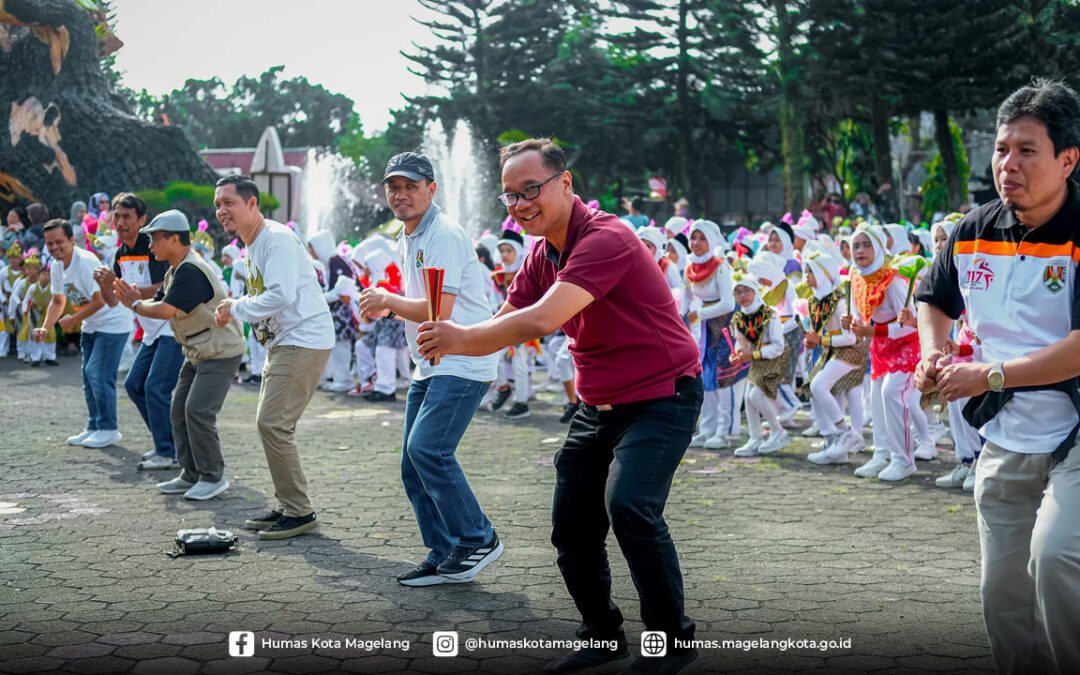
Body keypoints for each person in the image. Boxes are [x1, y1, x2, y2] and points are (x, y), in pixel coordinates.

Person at [415, 139, 703, 674]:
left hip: (663, 396)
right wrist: (450, 337)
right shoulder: (540, 253)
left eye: (531, 190)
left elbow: (541, 321)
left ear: (565, 184)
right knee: (572, 527)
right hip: (598, 407)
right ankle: (601, 635)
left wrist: (457, 338)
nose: (521, 205)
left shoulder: (606, 237)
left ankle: (672, 644)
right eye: (509, 197)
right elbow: (504, 318)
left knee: (631, 509)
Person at [915, 78, 1080, 673]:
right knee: (1001, 595)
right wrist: (932, 353)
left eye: (1026, 151)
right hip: (1005, 439)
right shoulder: (972, 230)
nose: (1008, 165)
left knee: (1057, 559)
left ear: (1068, 159)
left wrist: (991, 376)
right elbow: (931, 295)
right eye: (1001, 149)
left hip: (1074, 435)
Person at [357, 152, 502, 587]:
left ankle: (478, 537)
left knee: (428, 451)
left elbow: (441, 308)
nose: (401, 195)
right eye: (393, 187)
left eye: (411, 186)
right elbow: (422, 302)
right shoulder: (410, 235)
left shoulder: (442, 234)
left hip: (464, 356)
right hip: (431, 361)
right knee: (412, 463)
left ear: (432, 189)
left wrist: (387, 300)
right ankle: (443, 551)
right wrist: (388, 308)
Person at [213, 175, 334, 540]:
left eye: (228, 203)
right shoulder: (256, 243)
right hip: (285, 341)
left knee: (273, 425)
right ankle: (288, 504)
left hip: (303, 338)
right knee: (273, 426)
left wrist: (235, 306)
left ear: (252, 204)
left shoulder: (275, 239)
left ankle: (300, 511)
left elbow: (279, 296)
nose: (221, 211)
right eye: (217, 205)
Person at [113, 210, 245, 500]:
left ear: (174, 239)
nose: (150, 245)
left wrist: (133, 304)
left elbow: (163, 311)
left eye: (155, 239)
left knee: (198, 411)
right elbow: (159, 300)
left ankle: (212, 477)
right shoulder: (176, 269)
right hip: (200, 351)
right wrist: (134, 300)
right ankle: (190, 474)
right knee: (179, 410)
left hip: (220, 352)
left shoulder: (190, 270)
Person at [93, 193, 184, 471]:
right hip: (150, 331)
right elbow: (113, 301)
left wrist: (121, 287)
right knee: (134, 385)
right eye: (116, 216)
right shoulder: (120, 253)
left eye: (126, 216)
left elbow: (161, 288)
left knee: (155, 387)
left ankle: (169, 451)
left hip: (170, 326)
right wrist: (106, 285)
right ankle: (166, 443)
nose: (119, 222)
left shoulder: (152, 246)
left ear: (142, 220)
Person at [35, 219, 133, 448]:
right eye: (49, 244)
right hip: (91, 325)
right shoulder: (57, 266)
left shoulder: (86, 261)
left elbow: (101, 300)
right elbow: (58, 301)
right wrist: (46, 326)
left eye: (59, 242)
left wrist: (73, 319)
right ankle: (94, 426)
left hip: (113, 323)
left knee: (98, 373)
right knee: (88, 377)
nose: (54, 247)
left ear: (72, 240)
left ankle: (109, 428)